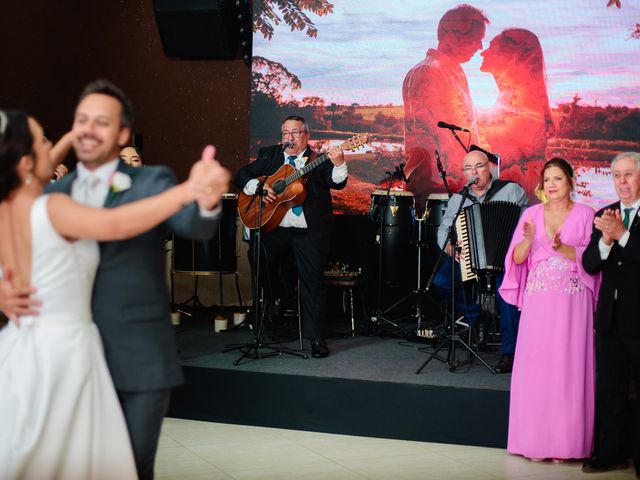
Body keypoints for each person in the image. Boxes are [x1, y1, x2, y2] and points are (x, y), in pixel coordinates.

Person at [0, 79, 229, 480]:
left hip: (135, 355)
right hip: (60, 358)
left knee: (129, 470)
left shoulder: (151, 180)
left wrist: (204, 200)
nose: (87, 130)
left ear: (123, 134)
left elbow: (192, 222)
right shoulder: (54, 191)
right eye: (80, 120)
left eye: (101, 122)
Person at [500, 157, 599, 461]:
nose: (552, 185)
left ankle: (567, 443)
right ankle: (534, 441)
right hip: (540, 298)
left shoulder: (586, 214)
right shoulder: (530, 214)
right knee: (538, 366)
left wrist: (566, 250)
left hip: (573, 298)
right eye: (548, 179)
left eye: (558, 178)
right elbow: (516, 260)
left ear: (570, 181)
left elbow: (596, 262)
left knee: (568, 367)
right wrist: (528, 242)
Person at [235, 115, 347, 358]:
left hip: (309, 232)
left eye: (295, 133)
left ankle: (316, 338)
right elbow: (242, 174)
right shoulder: (270, 155)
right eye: (285, 133)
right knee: (257, 252)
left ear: (306, 135)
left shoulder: (318, 160)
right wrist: (258, 187)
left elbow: (336, 182)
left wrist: (339, 165)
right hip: (276, 229)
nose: (289, 138)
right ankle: (279, 296)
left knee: (312, 281)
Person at [434, 150, 527, 372]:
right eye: (468, 168)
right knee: (441, 281)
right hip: (470, 257)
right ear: (464, 173)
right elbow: (444, 229)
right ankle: (476, 315)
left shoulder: (510, 190)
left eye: (479, 166)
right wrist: (449, 247)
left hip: (504, 258)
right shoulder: (459, 199)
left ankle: (509, 352)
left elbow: (527, 222)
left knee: (508, 294)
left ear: (489, 168)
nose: (474, 172)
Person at [582, 151, 640, 476]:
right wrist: (605, 240)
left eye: (629, 174)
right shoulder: (606, 213)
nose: (622, 181)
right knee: (611, 390)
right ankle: (610, 453)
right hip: (609, 320)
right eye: (617, 175)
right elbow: (590, 264)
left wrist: (623, 236)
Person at [403, 4, 489, 210]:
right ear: (452, 35)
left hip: (453, 187)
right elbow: (443, 139)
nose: (479, 46)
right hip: (438, 189)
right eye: (476, 38)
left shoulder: (451, 71)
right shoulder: (429, 73)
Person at [479, 28, 556, 199]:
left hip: (521, 199)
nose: (483, 53)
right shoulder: (511, 97)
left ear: (509, 57)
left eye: (491, 48)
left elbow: (519, 167)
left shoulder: (525, 103)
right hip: (510, 196)